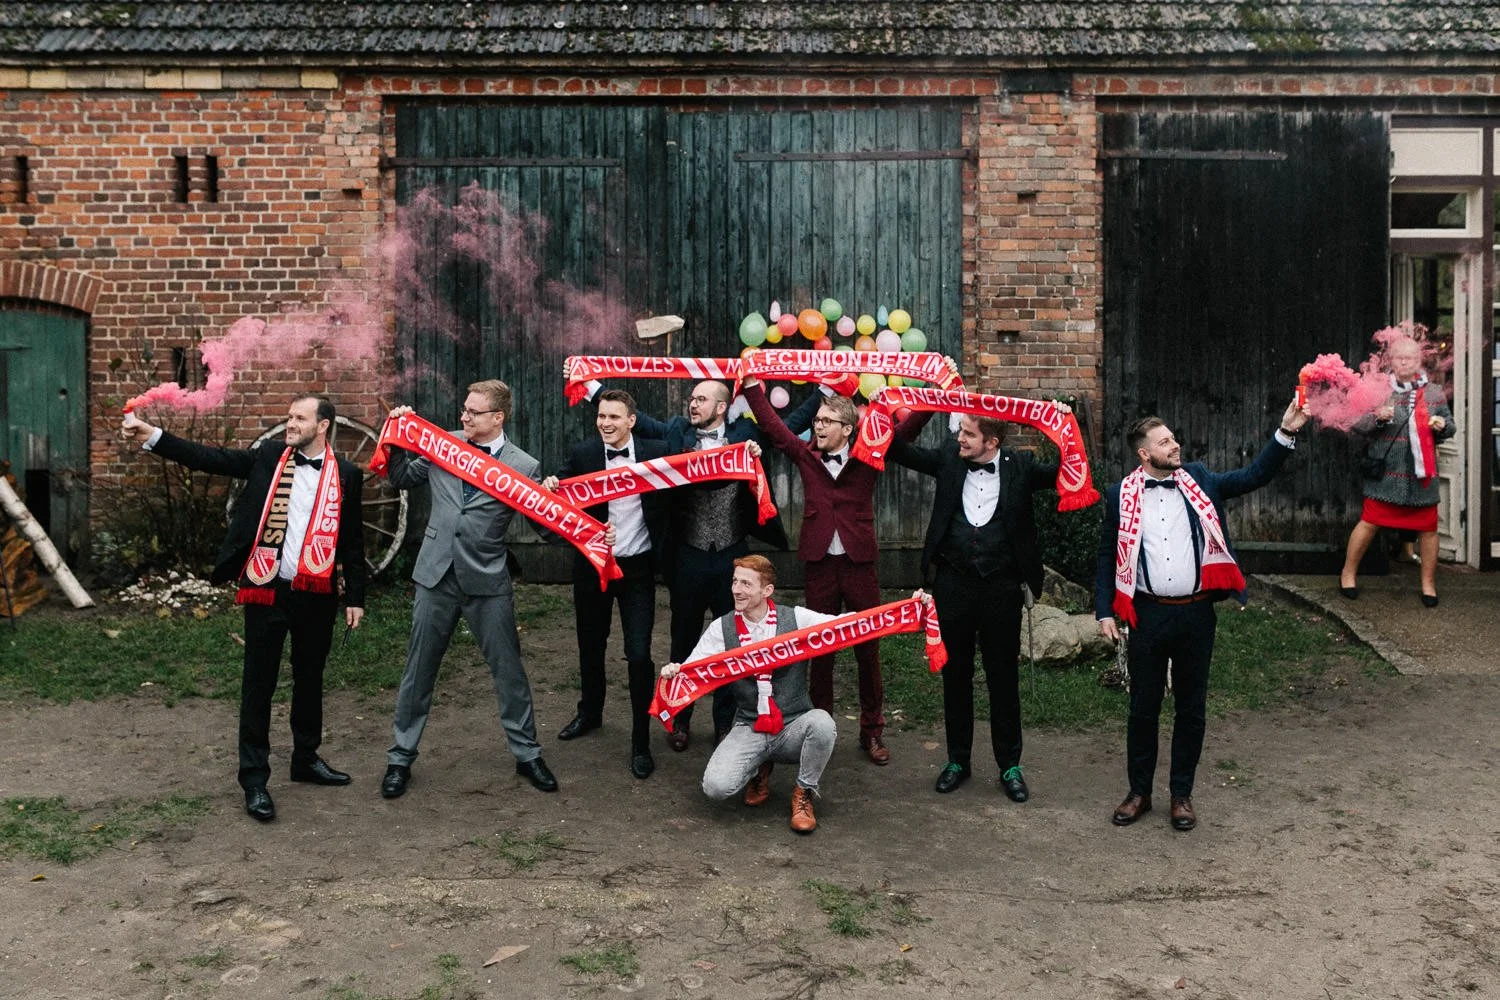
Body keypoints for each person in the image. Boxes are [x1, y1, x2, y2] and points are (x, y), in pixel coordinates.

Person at [123, 395, 366, 822]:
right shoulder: (269, 457)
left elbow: (353, 542)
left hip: (317, 593)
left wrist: (356, 598)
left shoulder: (347, 475)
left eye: (299, 418)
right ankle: (254, 781)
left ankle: (305, 759)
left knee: (310, 679)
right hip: (266, 589)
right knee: (259, 685)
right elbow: (208, 459)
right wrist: (153, 436)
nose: (289, 424)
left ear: (323, 425)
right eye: (288, 417)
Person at [1095, 398, 1310, 832]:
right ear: (1144, 453)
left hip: (1195, 616)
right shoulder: (1122, 494)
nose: (1175, 445)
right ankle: (1139, 792)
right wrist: (1105, 609)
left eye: (1173, 438)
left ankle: (1181, 795)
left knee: (1191, 709)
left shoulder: (1200, 480)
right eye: (1165, 441)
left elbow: (1254, 476)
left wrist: (1286, 431)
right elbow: (1105, 554)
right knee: (1143, 708)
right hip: (1147, 615)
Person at [573, 372, 818, 751]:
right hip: (686, 555)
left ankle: (725, 723)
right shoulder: (675, 433)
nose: (692, 403)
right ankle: (680, 718)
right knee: (683, 641)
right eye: (691, 398)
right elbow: (628, 416)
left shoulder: (746, 436)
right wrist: (588, 385)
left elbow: (789, 427)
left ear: (722, 407)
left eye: (701, 399)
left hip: (733, 557)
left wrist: (825, 392)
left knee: (732, 644)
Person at [380, 380, 557, 797]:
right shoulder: (443, 444)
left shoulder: (523, 465)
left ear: (498, 417)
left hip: (487, 579)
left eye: (473, 412)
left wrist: (555, 501)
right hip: (435, 576)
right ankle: (399, 758)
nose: (463, 417)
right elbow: (403, 477)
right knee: (418, 670)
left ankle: (528, 754)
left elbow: (545, 530)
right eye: (464, 409)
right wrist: (398, 436)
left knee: (509, 672)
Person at [888, 405, 1069, 800]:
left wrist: (1060, 423)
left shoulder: (1021, 466)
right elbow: (897, 449)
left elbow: (1068, 473)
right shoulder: (948, 461)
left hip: (1001, 587)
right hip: (953, 584)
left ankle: (1010, 766)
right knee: (956, 676)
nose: (960, 439)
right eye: (961, 432)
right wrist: (910, 405)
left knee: (1003, 678)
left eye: (968, 434)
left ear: (992, 441)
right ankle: (957, 760)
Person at [742, 373, 923, 766]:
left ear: (847, 428)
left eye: (826, 422)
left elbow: (907, 430)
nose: (817, 426)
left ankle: (872, 732)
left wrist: (928, 393)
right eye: (817, 421)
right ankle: (818, 728)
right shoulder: (806, 454)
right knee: (818, 648)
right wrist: (751, 385)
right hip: (820, 564)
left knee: (867, 651)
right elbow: (774, 429)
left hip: (860, 564)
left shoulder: (869, 455)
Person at [660, 556, 843, 833]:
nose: (736, 589)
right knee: (716, 787)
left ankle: (803, 792)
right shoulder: (722, 627)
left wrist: (910, 609)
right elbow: (693, 669)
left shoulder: (795, 617)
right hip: (750, 724)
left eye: (746, 583)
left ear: (766, 591)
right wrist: (675, 671)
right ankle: (759, 768)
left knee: (822, 724)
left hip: (794, 724)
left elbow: (844, 626)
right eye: (734, 581)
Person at [541, 389, 670, 779]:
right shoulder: (583, 453)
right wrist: (550, 484)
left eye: (614, 417)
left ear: (632, 420)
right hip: (593, 567)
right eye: (601, 417)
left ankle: (640, 740)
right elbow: (562, 489)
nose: (606, 424)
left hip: (638, 570)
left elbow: (699, 463)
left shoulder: (657, 452)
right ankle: (590, 713)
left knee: (640, 653)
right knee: (590, 644)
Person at [1337, 336, 1454, 607]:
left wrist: (1441, 427)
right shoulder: (1379, 389)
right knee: (1369, 523)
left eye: (1410, 358)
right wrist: (1376, 418)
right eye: (1399, 357)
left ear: (1419, 361)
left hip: (1422, 477)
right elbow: (1358, 424)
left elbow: (1450, 425)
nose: (1404, 362)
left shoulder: (1434, 392)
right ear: (1391, 360)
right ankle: (1348, 573)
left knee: (1428, 530)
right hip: (1387, 475)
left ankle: (1428, 584)